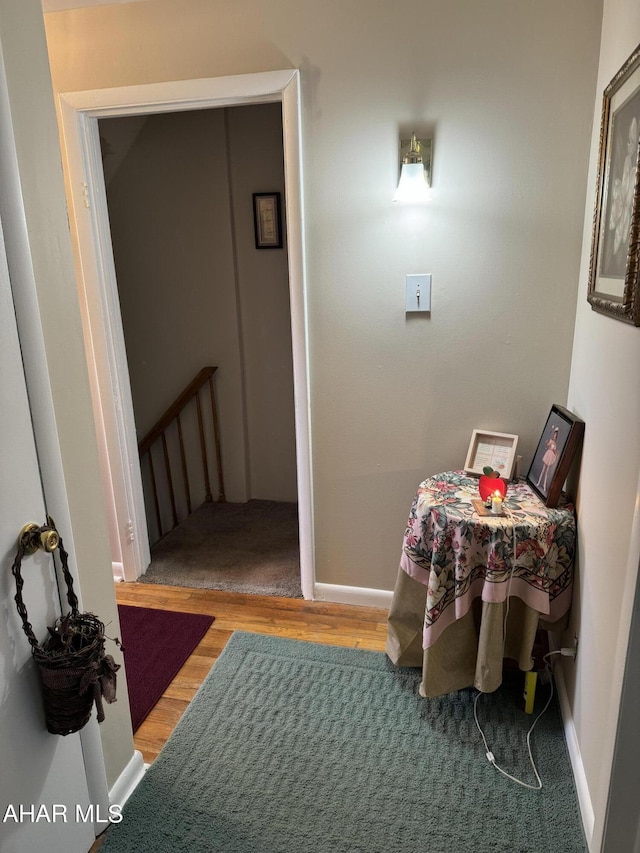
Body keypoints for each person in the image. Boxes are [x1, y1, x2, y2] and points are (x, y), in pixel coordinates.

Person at [536, 426, 559, 492]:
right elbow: (547, 445)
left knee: (547, 472)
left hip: (551, 455)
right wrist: (548, 442)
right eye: (554, 435)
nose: (555, 437)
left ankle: (544, 485)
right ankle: (539, 482)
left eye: (556, 436)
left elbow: (554, 450)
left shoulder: (555, 443)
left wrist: (556, 455)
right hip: (548, 454)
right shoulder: (551, 441)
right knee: (543, 470)